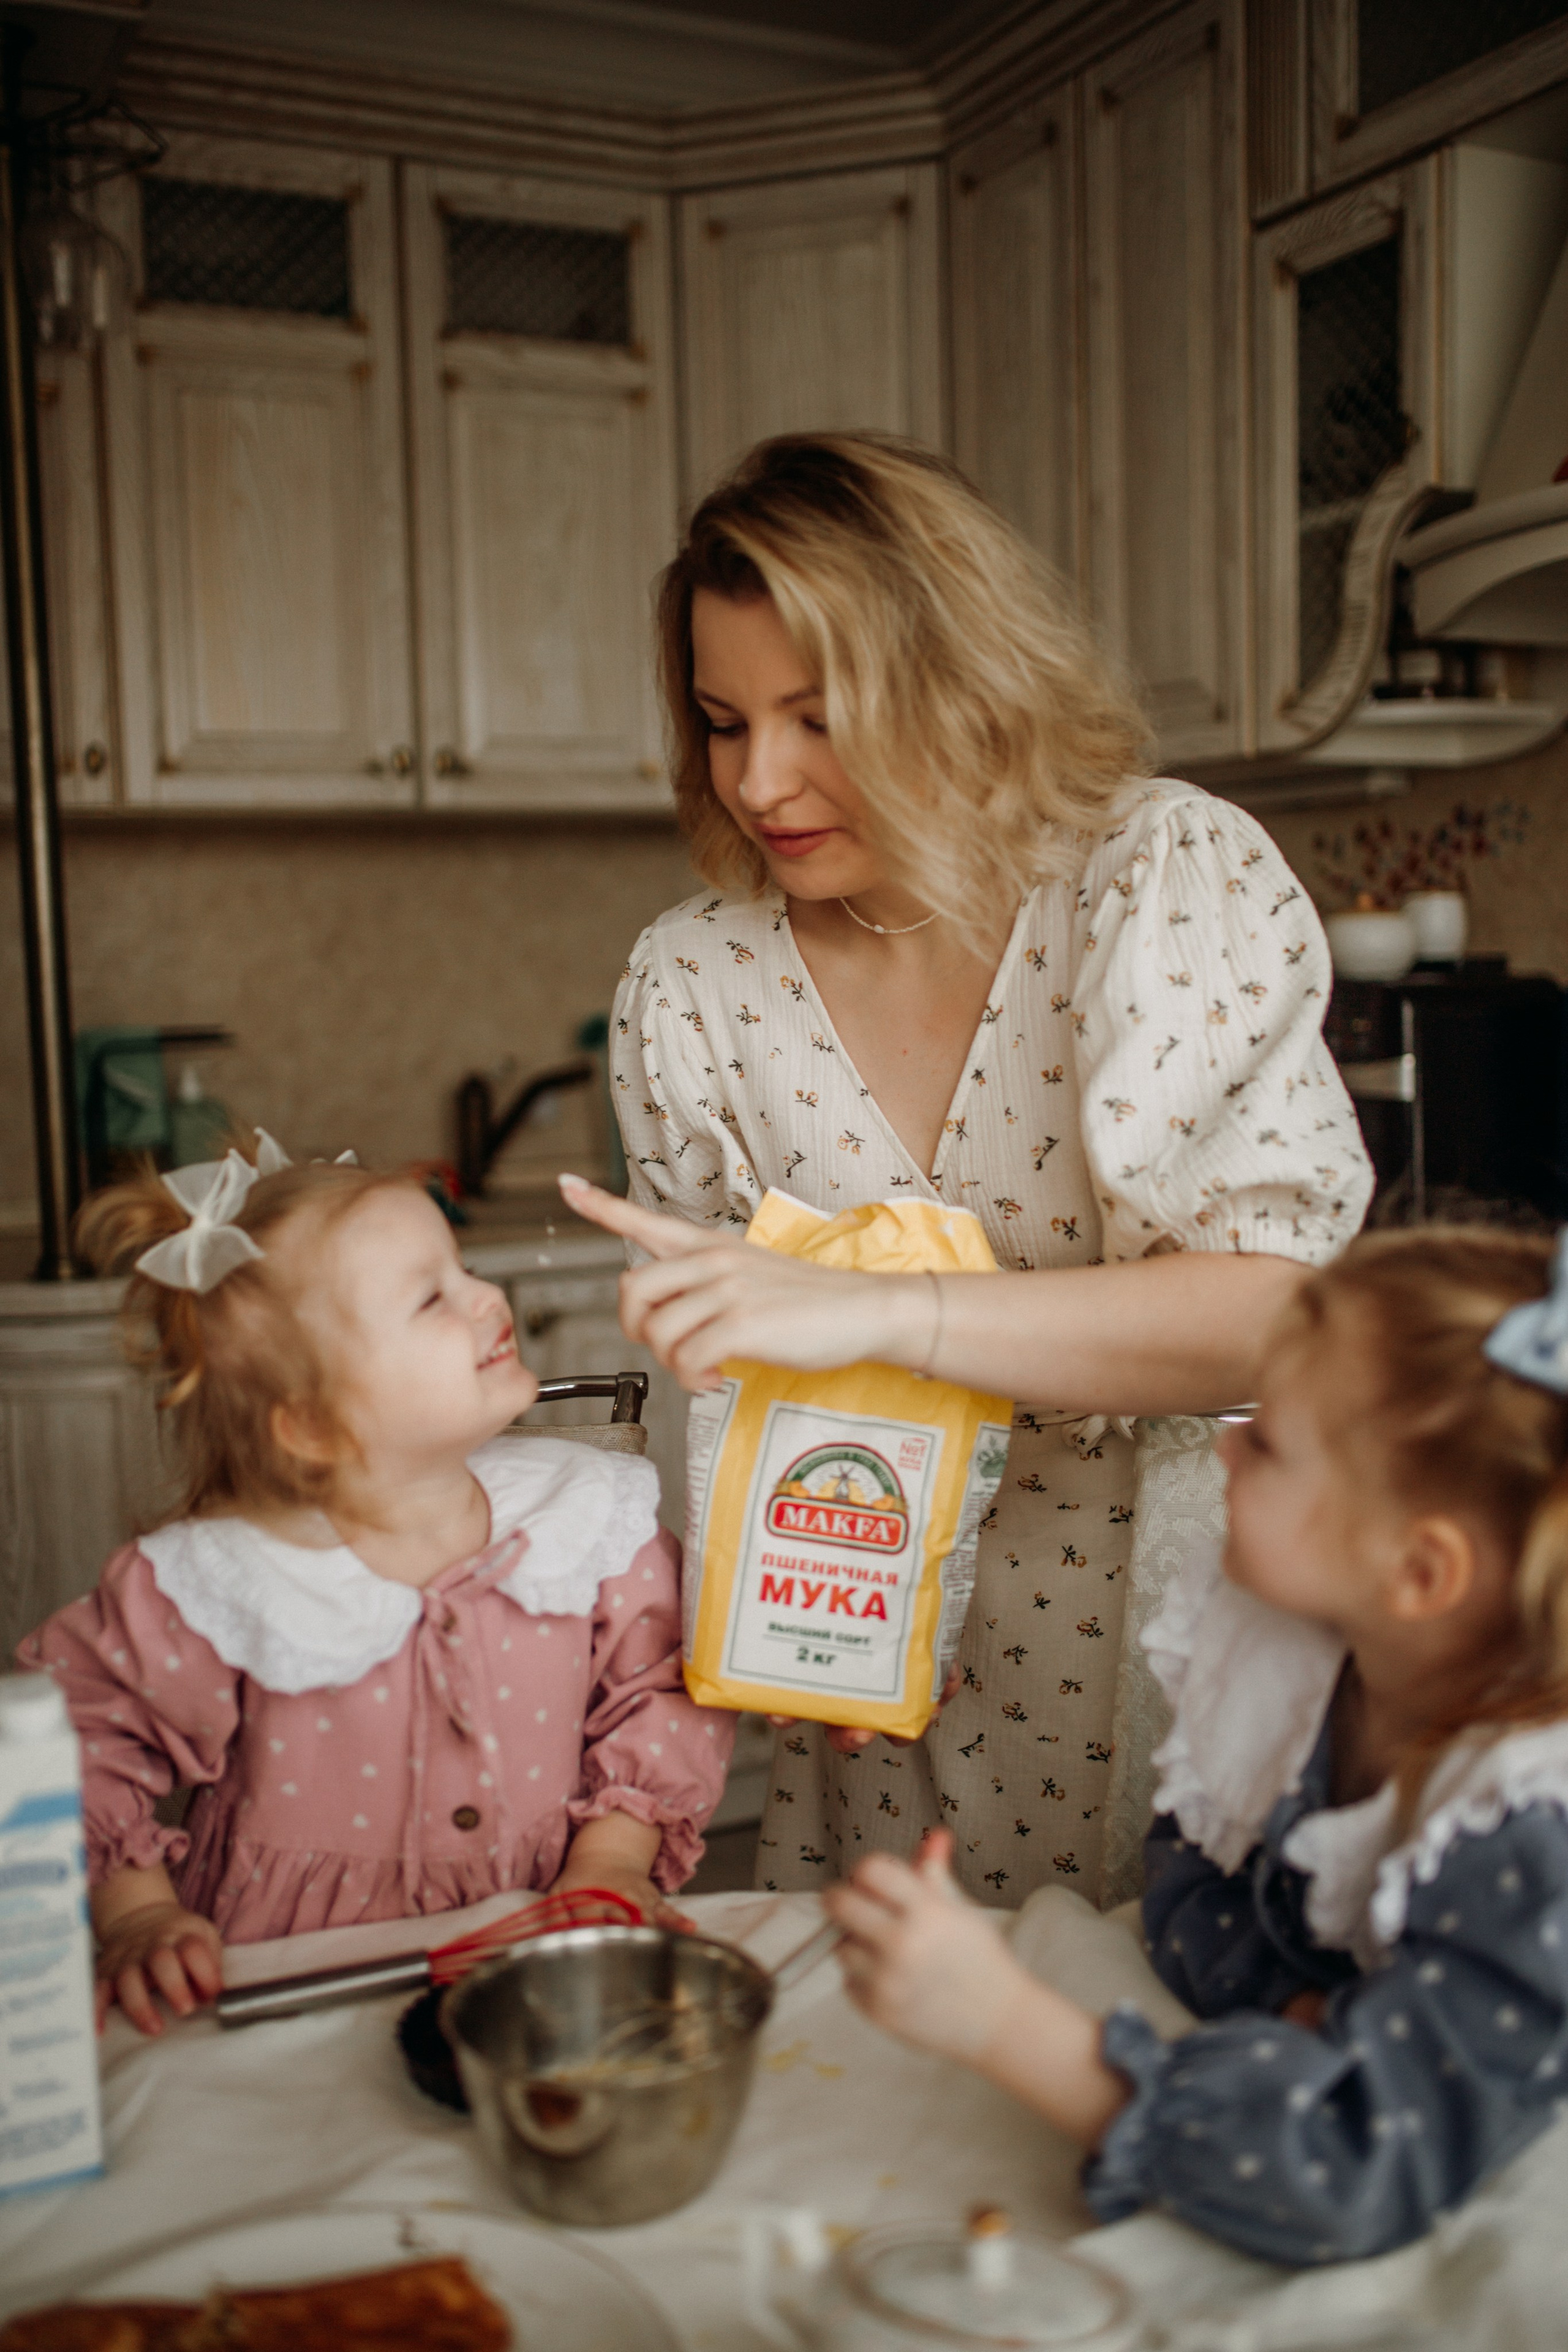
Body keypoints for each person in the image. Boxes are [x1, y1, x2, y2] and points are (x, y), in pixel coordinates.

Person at [606, 428, 1371, 1906]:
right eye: (720, 721)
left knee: (1156, 2015)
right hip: (874, 1656)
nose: (760, 780)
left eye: (819, 717)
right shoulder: (693, 981)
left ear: (962, 679)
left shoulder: (1155, 880)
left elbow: (1277, 1317)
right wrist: (791, 1613)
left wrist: (882, 1314)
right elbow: (737, 1399)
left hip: (1169, 1632)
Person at [813, 1224, 1568, 2265]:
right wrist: (1292, 2007)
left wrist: (1007, 2026)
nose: (1224, 1448)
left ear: (1420, 1573)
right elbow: (1192, 1885)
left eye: (1269, 1442)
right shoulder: (1298, 1668)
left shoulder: (1527, 1829)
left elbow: (1350, 2173)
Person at [16, 1139, 731, 2037]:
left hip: (534, 1947)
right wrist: (138, 1915)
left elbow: (658, 1694)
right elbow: (74, 1736)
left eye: (464, 1267)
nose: (487, 1297)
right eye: (433, 1298)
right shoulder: (222, 1579)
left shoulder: (588, 1521)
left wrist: (611, 1863)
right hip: (287, 1981)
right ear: (313, 1425)